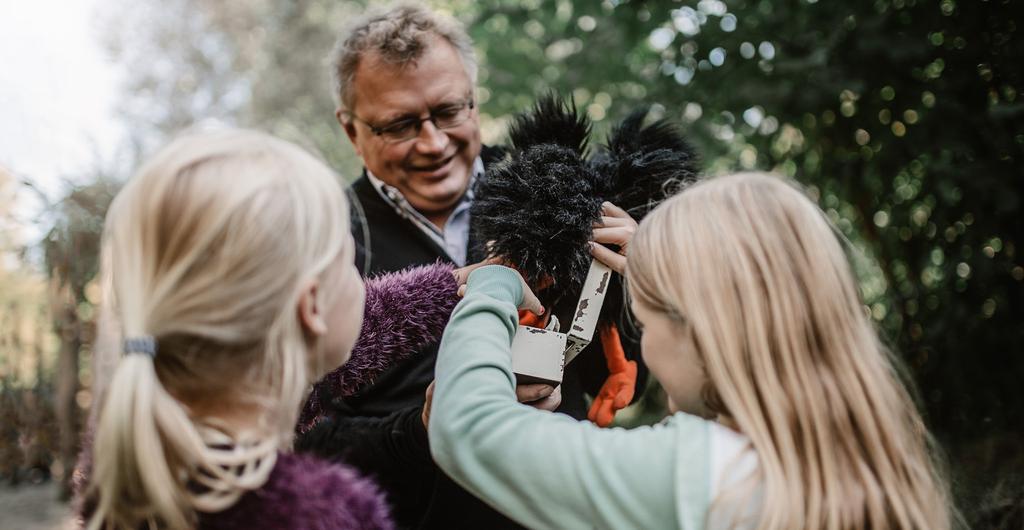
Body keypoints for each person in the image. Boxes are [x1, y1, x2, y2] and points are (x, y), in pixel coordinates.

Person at [429, 172, 956, 529]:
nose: (649, 349)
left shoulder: (705, 475)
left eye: (649, 321)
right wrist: (671, 273)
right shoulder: (873, 458)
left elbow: (468, 429)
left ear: (702, 331)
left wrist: (493, 285)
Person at [309, 4, 644, 527]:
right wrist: (420, 431)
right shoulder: (316, 242)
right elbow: (304, 445)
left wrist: (639, 287)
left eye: (448, 112)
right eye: (400, 124)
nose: (433, 143)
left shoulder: (559, 194)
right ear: (351, 131)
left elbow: (627, 379)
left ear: (473, 98)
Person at [79, 128, 464, 530]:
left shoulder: (132, 447)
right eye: (349, 263)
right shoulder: (321, 516)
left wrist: (449, 288)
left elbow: (347, 329)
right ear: (311, 306)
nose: (360, 283)